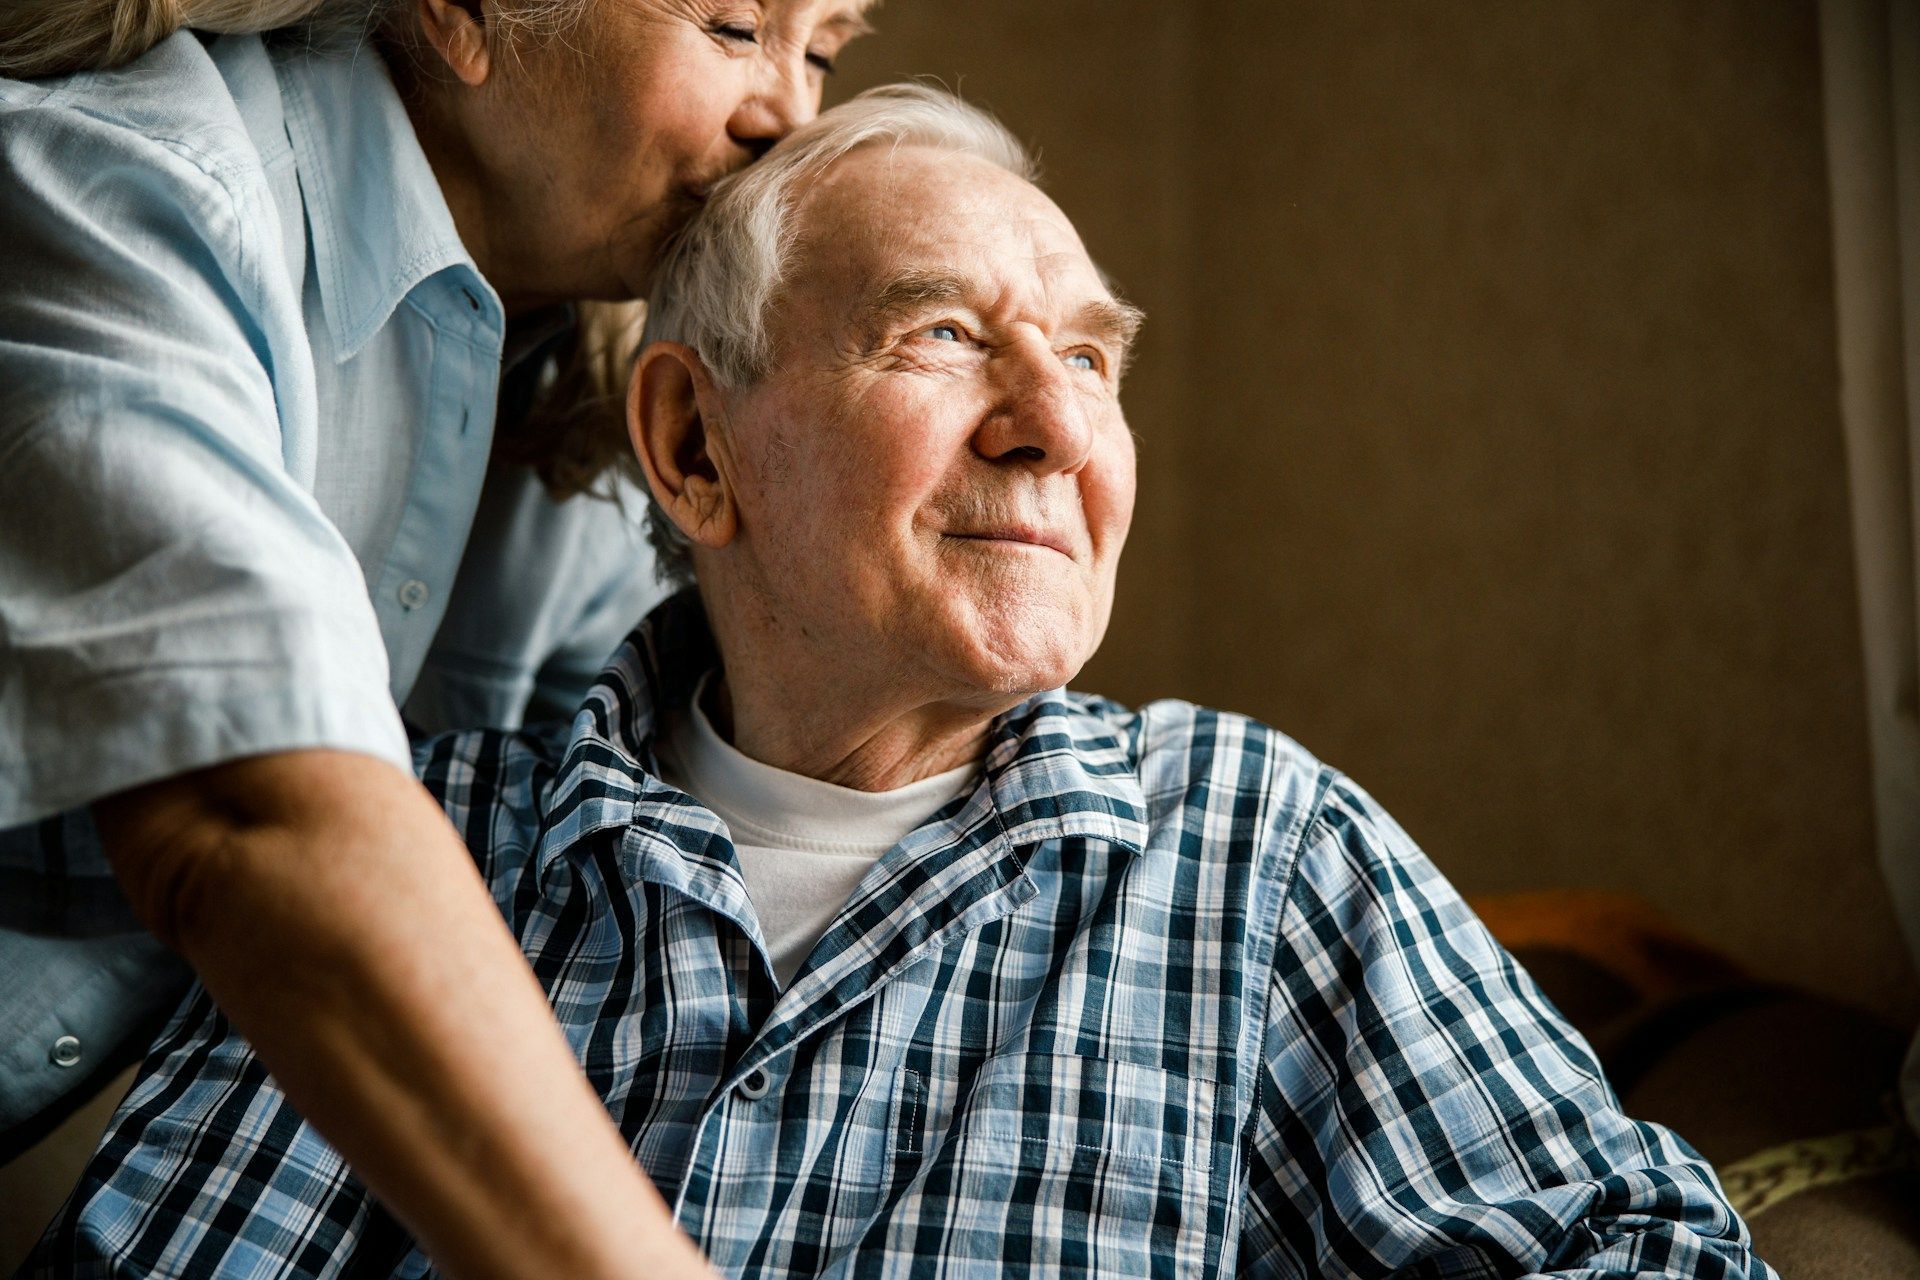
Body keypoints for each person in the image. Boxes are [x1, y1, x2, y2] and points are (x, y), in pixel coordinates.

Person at [28, 84, 1775, 1278]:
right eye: (941, 333)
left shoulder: (1259, 850)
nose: (1055, 425)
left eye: (1090, 355)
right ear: (694, 444)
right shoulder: (452, 845)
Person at [0, 0, 872, 1275]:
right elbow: (249, 821)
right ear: (465, 12)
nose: (789, 117)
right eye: (735, 24)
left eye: (829, 50)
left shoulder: (597, 430)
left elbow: (603, 899)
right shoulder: (126, 187)